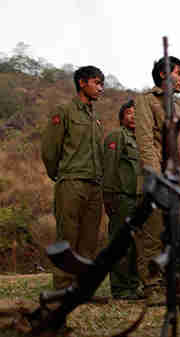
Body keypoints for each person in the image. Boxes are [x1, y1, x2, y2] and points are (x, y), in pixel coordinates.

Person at [41, 65, 105, 289]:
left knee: (89, 239)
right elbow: (50, 150)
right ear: (81, 82)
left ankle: (82, 287)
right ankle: (63, 287)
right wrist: (59, 176)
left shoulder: (96, 120)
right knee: (67, 236)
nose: (100, 88)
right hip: (71, 182)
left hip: (95, 185)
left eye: (101, 84)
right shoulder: (64, 111)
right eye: (96, 83)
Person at [134, 56, 180, 294]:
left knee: (173, 231)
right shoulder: (146, 101)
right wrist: (155, 179)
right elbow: (145, 141)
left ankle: (169, 281)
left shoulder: (178, 107)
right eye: (179, 73)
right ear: (164, 74)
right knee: (153, 233)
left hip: (176, 179)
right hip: (156, 177)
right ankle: (151, 285)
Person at [102, 100, 143, 299]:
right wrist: (108, 197)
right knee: (120, 244)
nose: (134, 116)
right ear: (121, 117)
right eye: (129, 113)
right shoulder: (116, 136)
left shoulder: (142, 140)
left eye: (137, 113)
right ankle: (120, 288)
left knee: (136, 245)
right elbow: (109, 168)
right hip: (121, 198)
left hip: (138, 199)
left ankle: (133, 285)